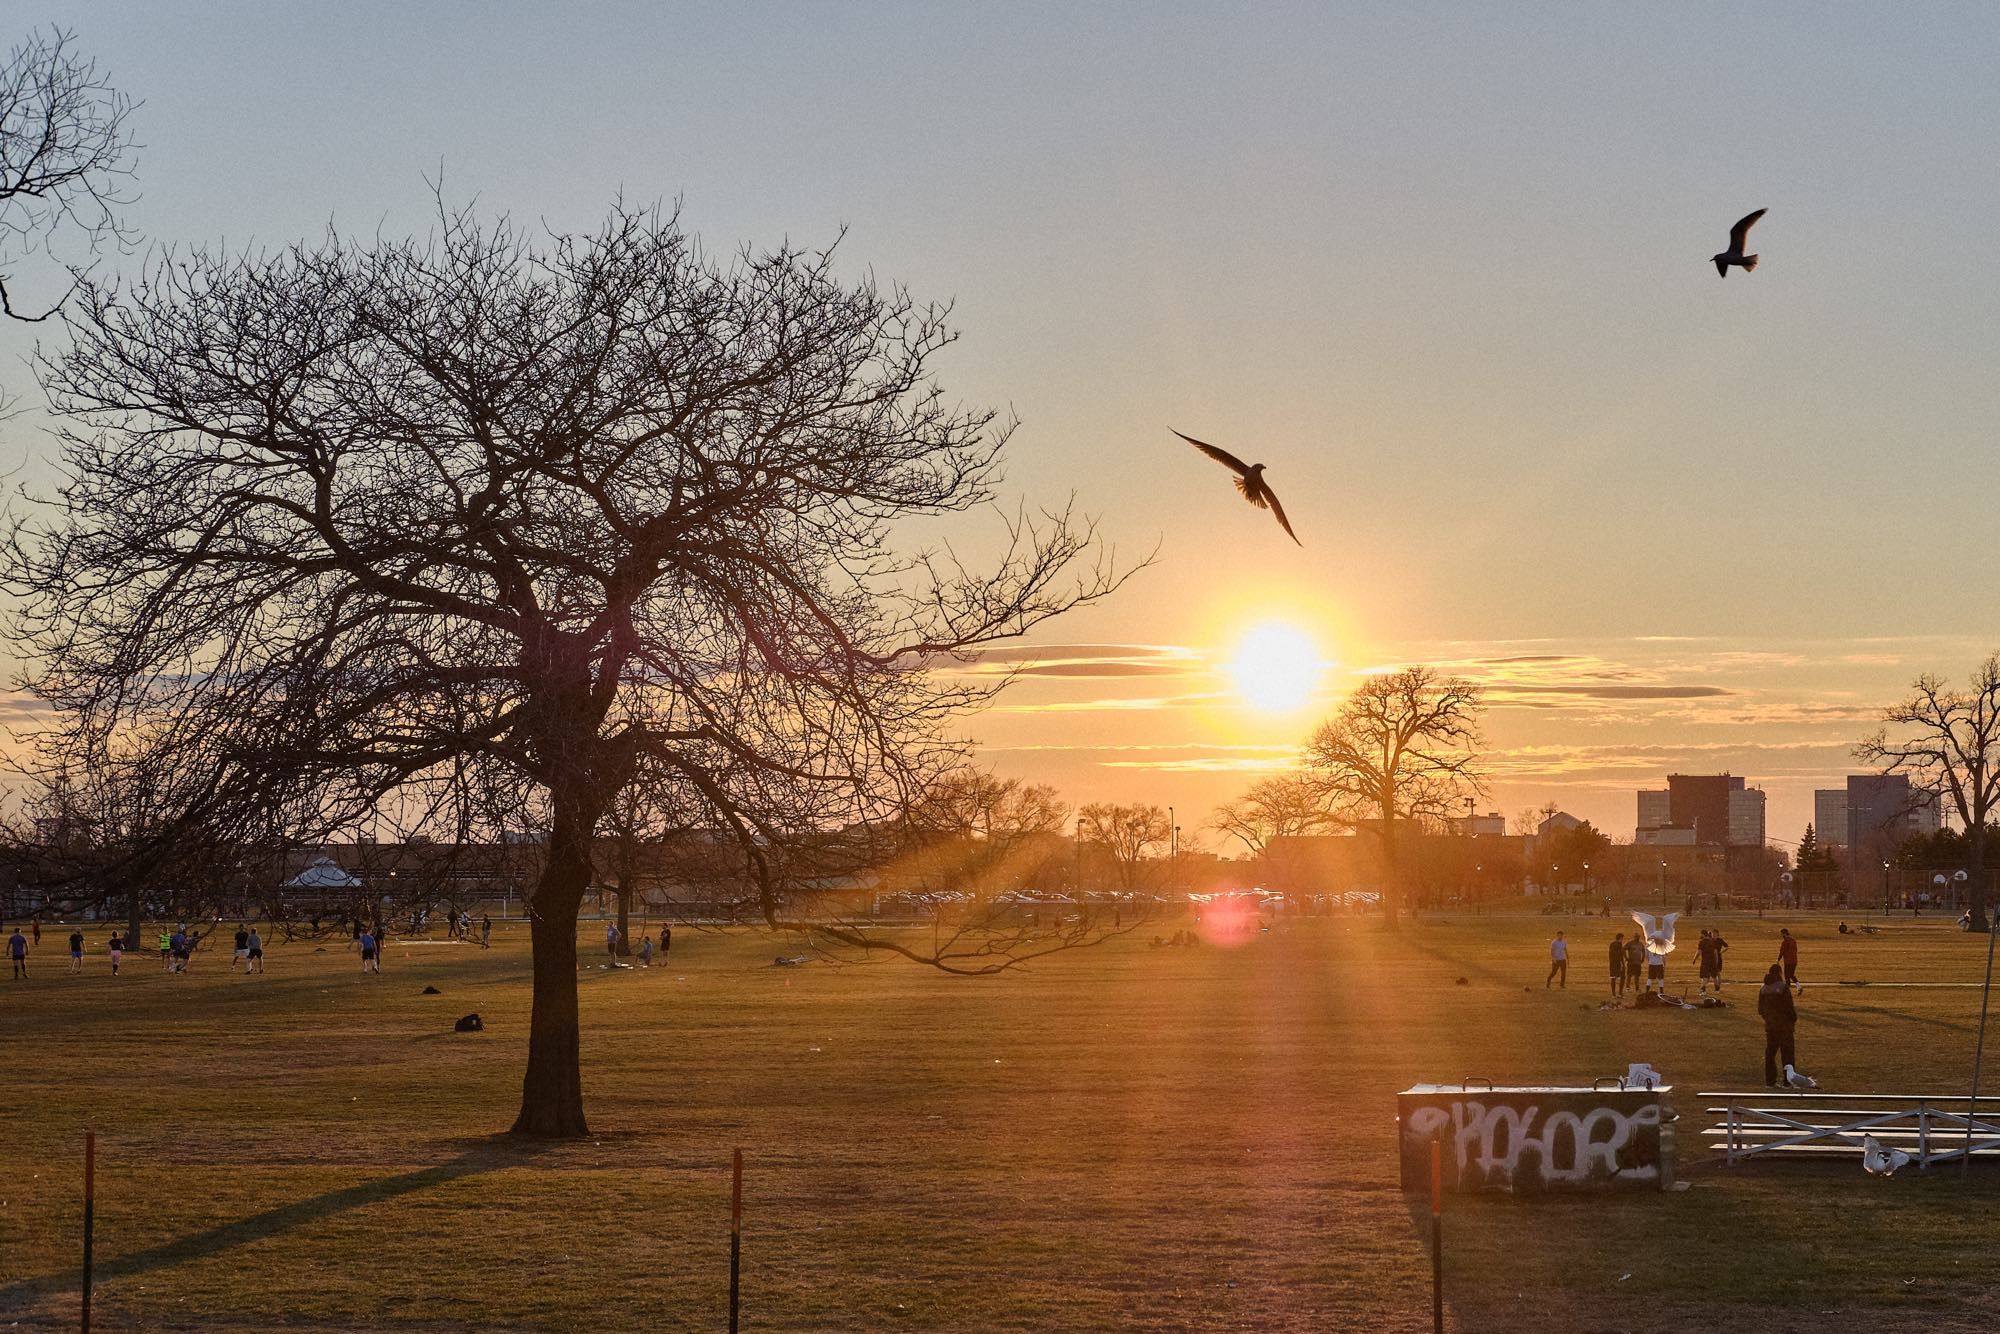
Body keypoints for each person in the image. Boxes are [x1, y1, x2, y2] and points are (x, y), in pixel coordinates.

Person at [1759, 963, 1799, 1087]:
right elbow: (1789, 1008)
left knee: (1770, 1054)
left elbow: (1760, 1010)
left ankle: (1770, 1081)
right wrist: (1793, 1020)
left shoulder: (1763, 989)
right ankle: (1788, 1081)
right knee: (1787, 1055)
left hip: (1770, 1027)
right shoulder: (1783, 987)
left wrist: (1769, 1020)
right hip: (1784, 1026)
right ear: (1780, 973)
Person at [1778, 927, 1802, 993]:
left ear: (1784, 933)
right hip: (1794, 960)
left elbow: (1782, 951)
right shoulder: (1793, 940)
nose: (1781, 936)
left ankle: (1786, 990)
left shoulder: (1785, 941)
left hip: (1788, 961)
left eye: (1782, 934)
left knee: (1787, 975)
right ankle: (1799, 986)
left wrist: (1778, 959)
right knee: (1791, 975)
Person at [1608, 932, 1626, 998]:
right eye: (1622, 938)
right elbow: (1620, 955)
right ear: (1620, 938)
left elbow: (1611, 954)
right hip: (1618, 963)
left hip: (1612, 963)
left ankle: (1613, 994)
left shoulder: (1611, 944)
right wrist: (1622, 963)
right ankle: (1620, 993)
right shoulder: (1619, 944)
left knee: (1613, 978)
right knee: (1622, 978)